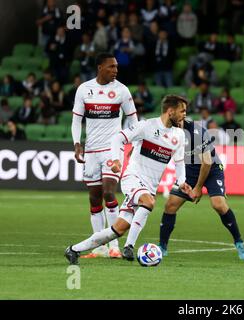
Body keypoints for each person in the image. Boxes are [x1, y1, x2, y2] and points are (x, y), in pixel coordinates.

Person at [65, 95, 192, 264]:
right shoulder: (147, 126)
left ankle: (73, 250)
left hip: (149, 186)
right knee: (148, 202)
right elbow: (118, 138)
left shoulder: (179, 135)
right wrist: (116, 159)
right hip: (132, 178)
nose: (185, 114)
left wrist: (181, 182)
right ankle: (129, 247)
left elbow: (179, 162)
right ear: (170, 111)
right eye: (182, 110)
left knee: (117, 230)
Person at [70, 53, 138, 259]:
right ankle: (99, 247)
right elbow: (76, 121)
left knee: (109, 192)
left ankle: (114, 246)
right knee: (94, 198)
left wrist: (131, 141)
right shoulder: (84, 89)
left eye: (116, 67)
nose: (115, 70)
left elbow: (133, 118)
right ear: (100, 67)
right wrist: (76, 143)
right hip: (90, 151)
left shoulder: (122, 90)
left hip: (112, 150)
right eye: (111, 67)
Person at [154, 118, 244, 260]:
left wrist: (198, 188)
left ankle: (239, 241)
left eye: (184, 112)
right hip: (190, 172)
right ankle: (162, 246)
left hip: (212, 169)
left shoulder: (196, 132)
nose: (183, 115)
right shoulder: (166, 130)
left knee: (218, 204)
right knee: (170, 205)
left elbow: (207, 162)